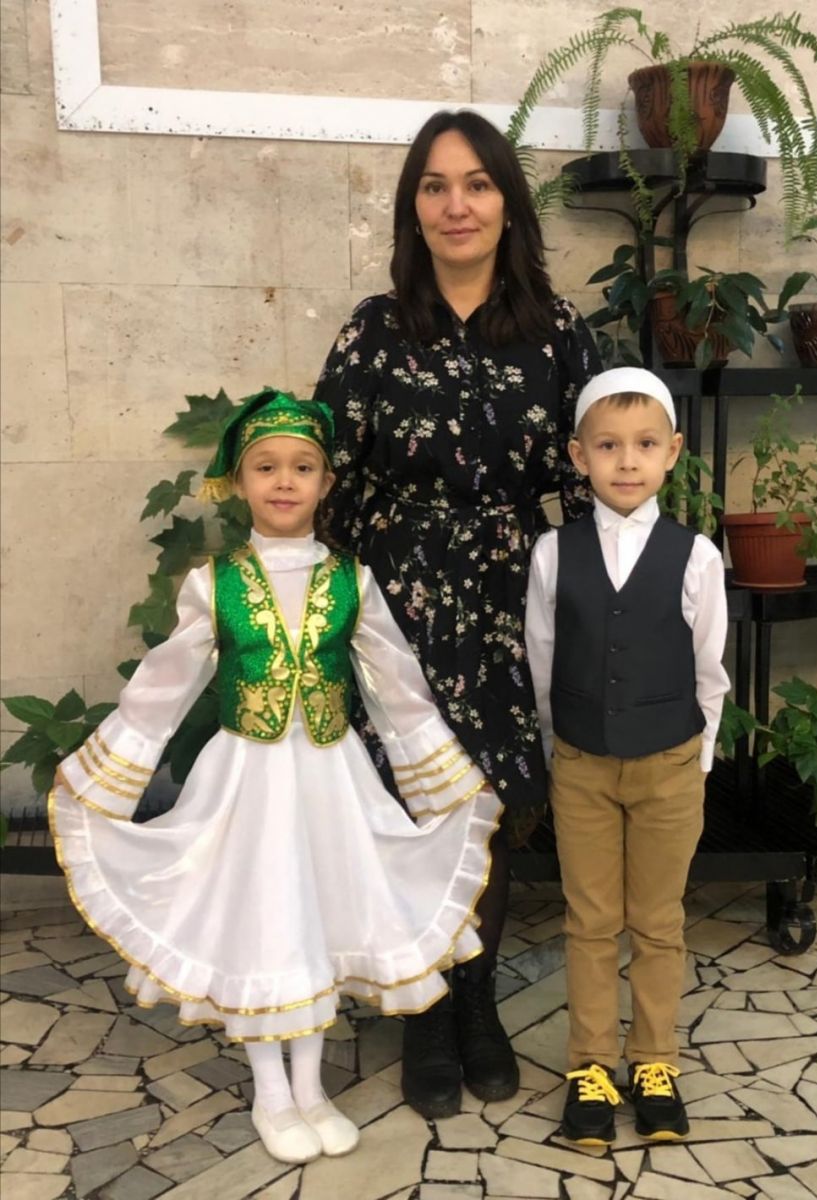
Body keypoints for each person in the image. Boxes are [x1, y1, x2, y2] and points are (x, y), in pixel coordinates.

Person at [49, 388, 501, 1165]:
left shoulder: (351, 579)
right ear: (238, 481)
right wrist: (107, 772)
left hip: (330, 780)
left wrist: (441, 778)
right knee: (262, 918)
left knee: (317, 916)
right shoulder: (214, 581)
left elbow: (396, 685)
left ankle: (311, 1087)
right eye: (266, 467)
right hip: (247, 783)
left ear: (327, 483)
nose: (284, 480)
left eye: (302, 467)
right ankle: (271, 1092)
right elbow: (165, 685)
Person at [312, 109, 599, 1118]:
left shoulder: (558, 332)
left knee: (490, 804)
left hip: (513, 596)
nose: (456, 204)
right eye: (434, 186)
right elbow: (328, 472)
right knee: (412, 799)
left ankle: (476, 1000)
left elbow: (598, 474)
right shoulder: (375, 328)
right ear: (413, 209)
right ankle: (426, 1008)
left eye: (476, 183)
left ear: (508, 204)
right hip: (398, 600)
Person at [524, 367, 730, 1144]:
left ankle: (653, 1061)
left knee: (657, 920)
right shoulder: (553, 553)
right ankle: (589, 1065)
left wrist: (697, 759)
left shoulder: (695, 556)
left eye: (644, 444)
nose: (626, 461)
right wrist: (557, 747)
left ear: (671, 452)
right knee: (589, 920)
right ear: (579, 457)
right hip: (580, 763)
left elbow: (709, 669)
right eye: (607, 446)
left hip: (668, 764)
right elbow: (541, 659)